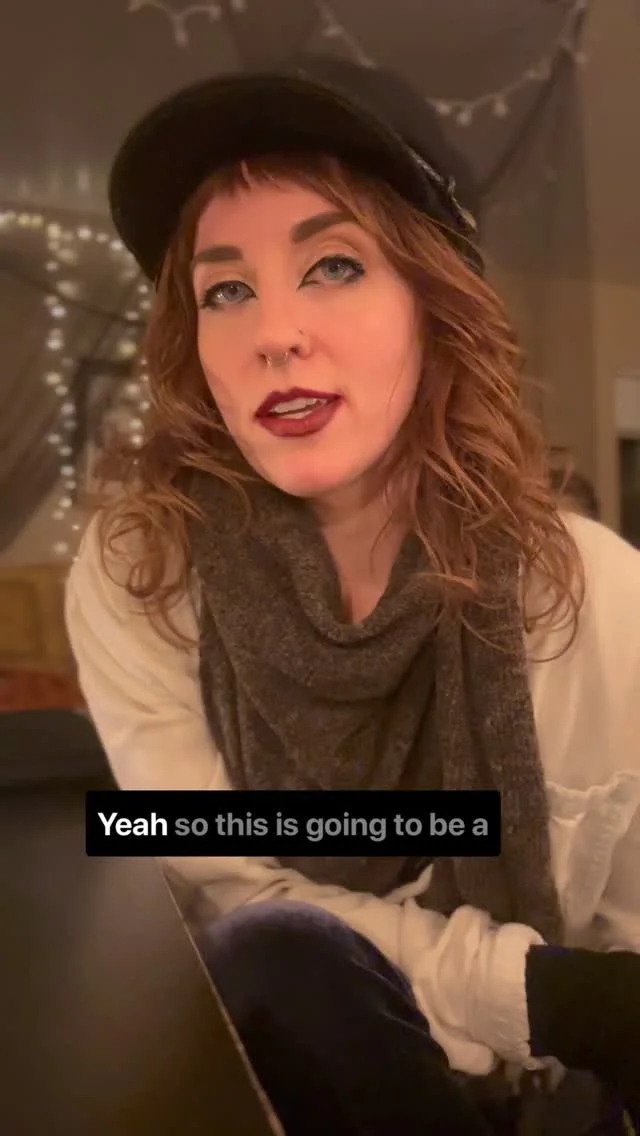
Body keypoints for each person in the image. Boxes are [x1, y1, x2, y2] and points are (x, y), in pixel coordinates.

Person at [65, 56, 640, 1136]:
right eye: (226, 289)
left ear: (435, 300)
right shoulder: (140, 573)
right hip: (290, 1089)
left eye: (331, 265)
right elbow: (223, 893)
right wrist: (544, 995)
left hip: (547, 1101)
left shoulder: (592, 592)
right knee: (278, 957)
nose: (273, 332)